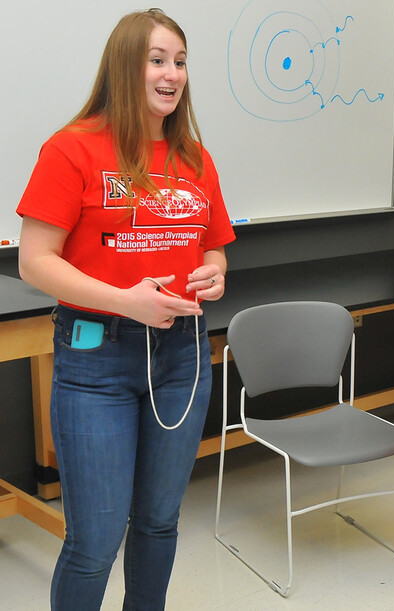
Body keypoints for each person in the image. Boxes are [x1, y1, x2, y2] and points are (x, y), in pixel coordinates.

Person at [16, 9, 234, 610]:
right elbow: (35, 261)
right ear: (123, 67)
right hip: (97, 358)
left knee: (159, 521)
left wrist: (214, 273)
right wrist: (126, 303)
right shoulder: (72, 148)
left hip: (182, 355)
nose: (172, 74)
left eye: (181, 62)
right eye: (157, 60)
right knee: (95, 538)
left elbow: (214, 245)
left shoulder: (194, 155)